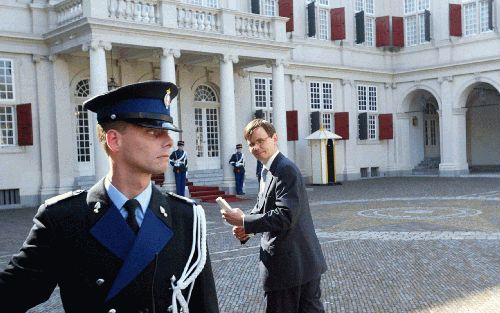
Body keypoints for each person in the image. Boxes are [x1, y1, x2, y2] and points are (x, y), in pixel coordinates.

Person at [0, 81, 219, 313]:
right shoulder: (64, 219)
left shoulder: (187, 217)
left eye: (168, 131)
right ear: (114, 140)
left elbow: (204, 305)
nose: (168, 141)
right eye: (153, 131)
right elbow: (13, 293)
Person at [222, 119, 327, 313]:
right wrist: (248, 230)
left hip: (291, 267)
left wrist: (245, 221)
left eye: (261, 141)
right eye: (252, 144)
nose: (256, 147)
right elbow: (263, 207)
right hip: (295, 266)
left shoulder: (285, 169)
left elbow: (286, 216)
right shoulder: (267, 169)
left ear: (275, 138)